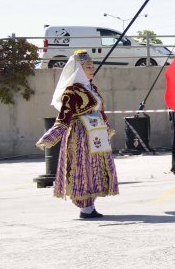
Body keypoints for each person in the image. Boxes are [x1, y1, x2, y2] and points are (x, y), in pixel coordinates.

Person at [35, 50, 119, 219]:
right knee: (83, 168)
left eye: (93, 66)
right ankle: (85, 208)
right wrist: (51, 136)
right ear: (78, 69)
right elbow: (64, 117)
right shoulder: (71, 92)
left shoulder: (92, 88)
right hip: (80, 136)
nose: (92, 69)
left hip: (96, 134)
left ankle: (90, 206)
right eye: (88, 66)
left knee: (97, 168)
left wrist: (106, 128)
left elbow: (100, 112)